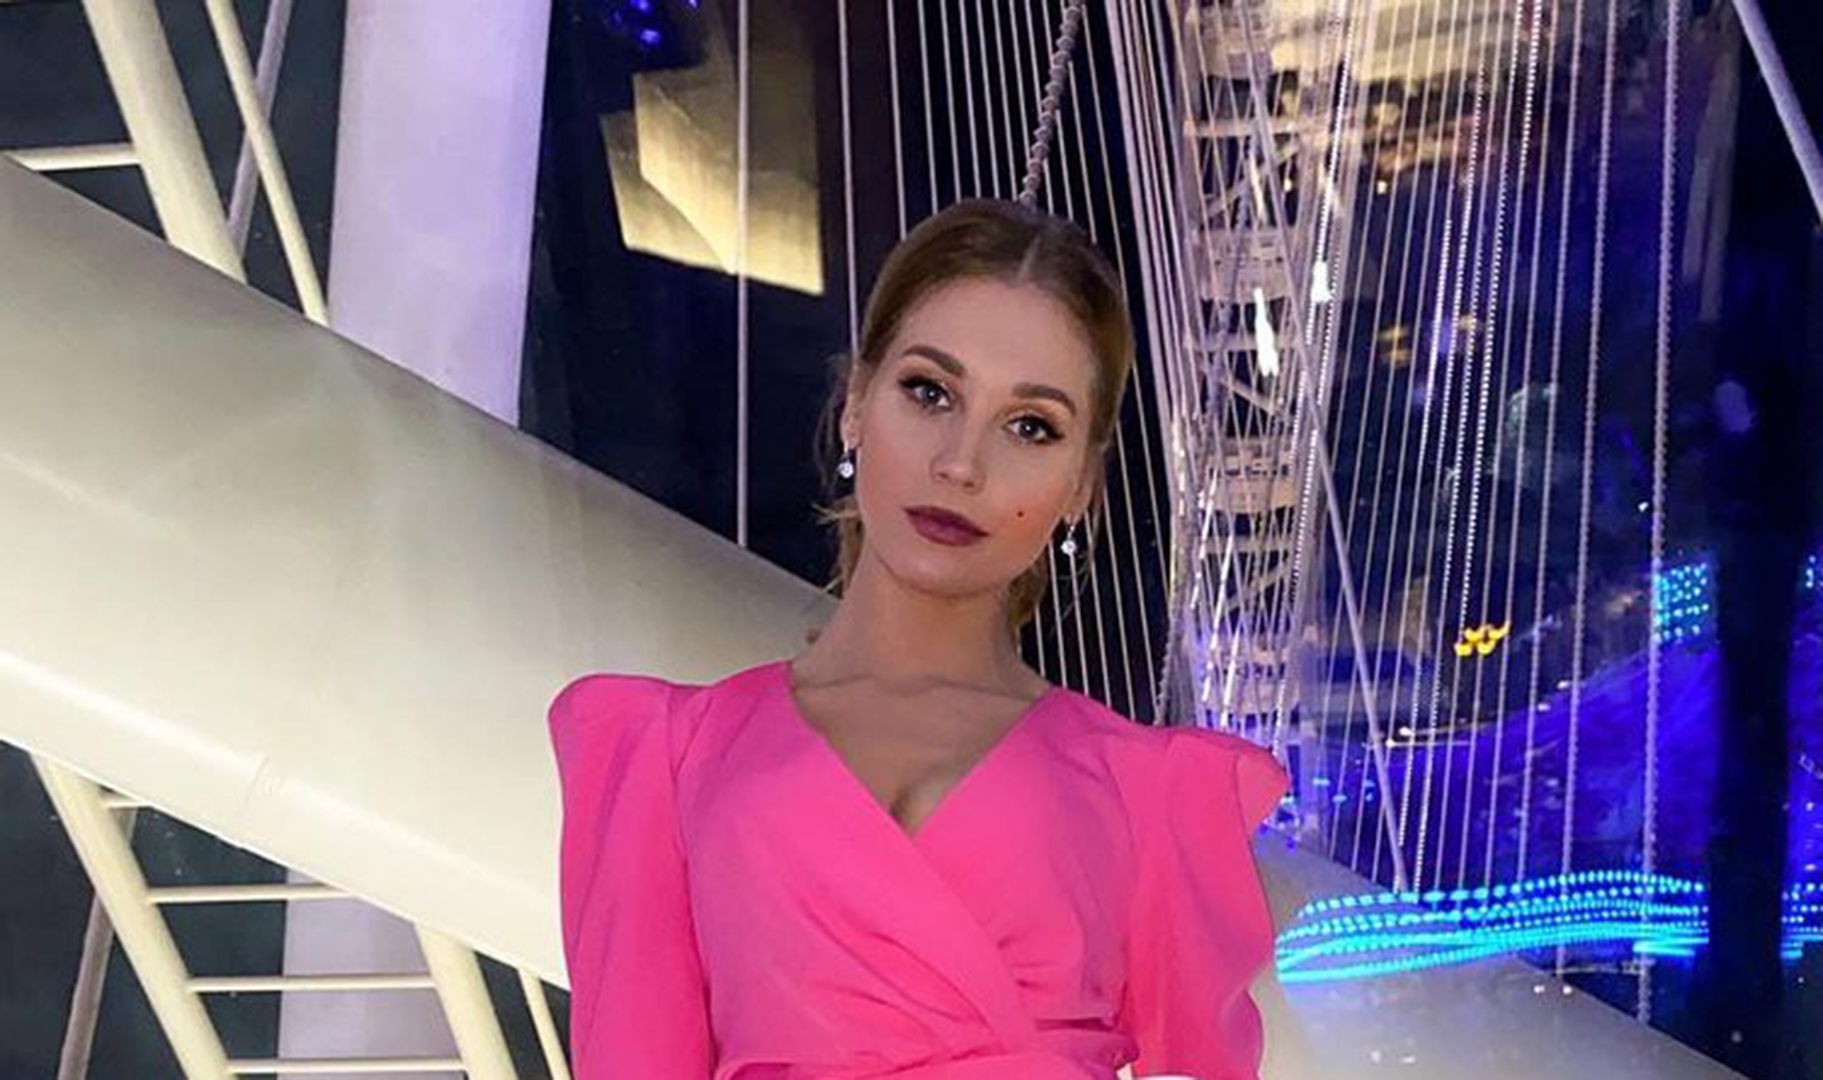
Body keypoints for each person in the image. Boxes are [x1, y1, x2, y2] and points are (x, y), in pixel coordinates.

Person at [548, 199, 1289, 1079]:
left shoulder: (1157, 795)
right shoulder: (663, 756)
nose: (960, 463)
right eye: (929, 392)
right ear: (855, 405)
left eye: (1030, 426)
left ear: (1080, 485)